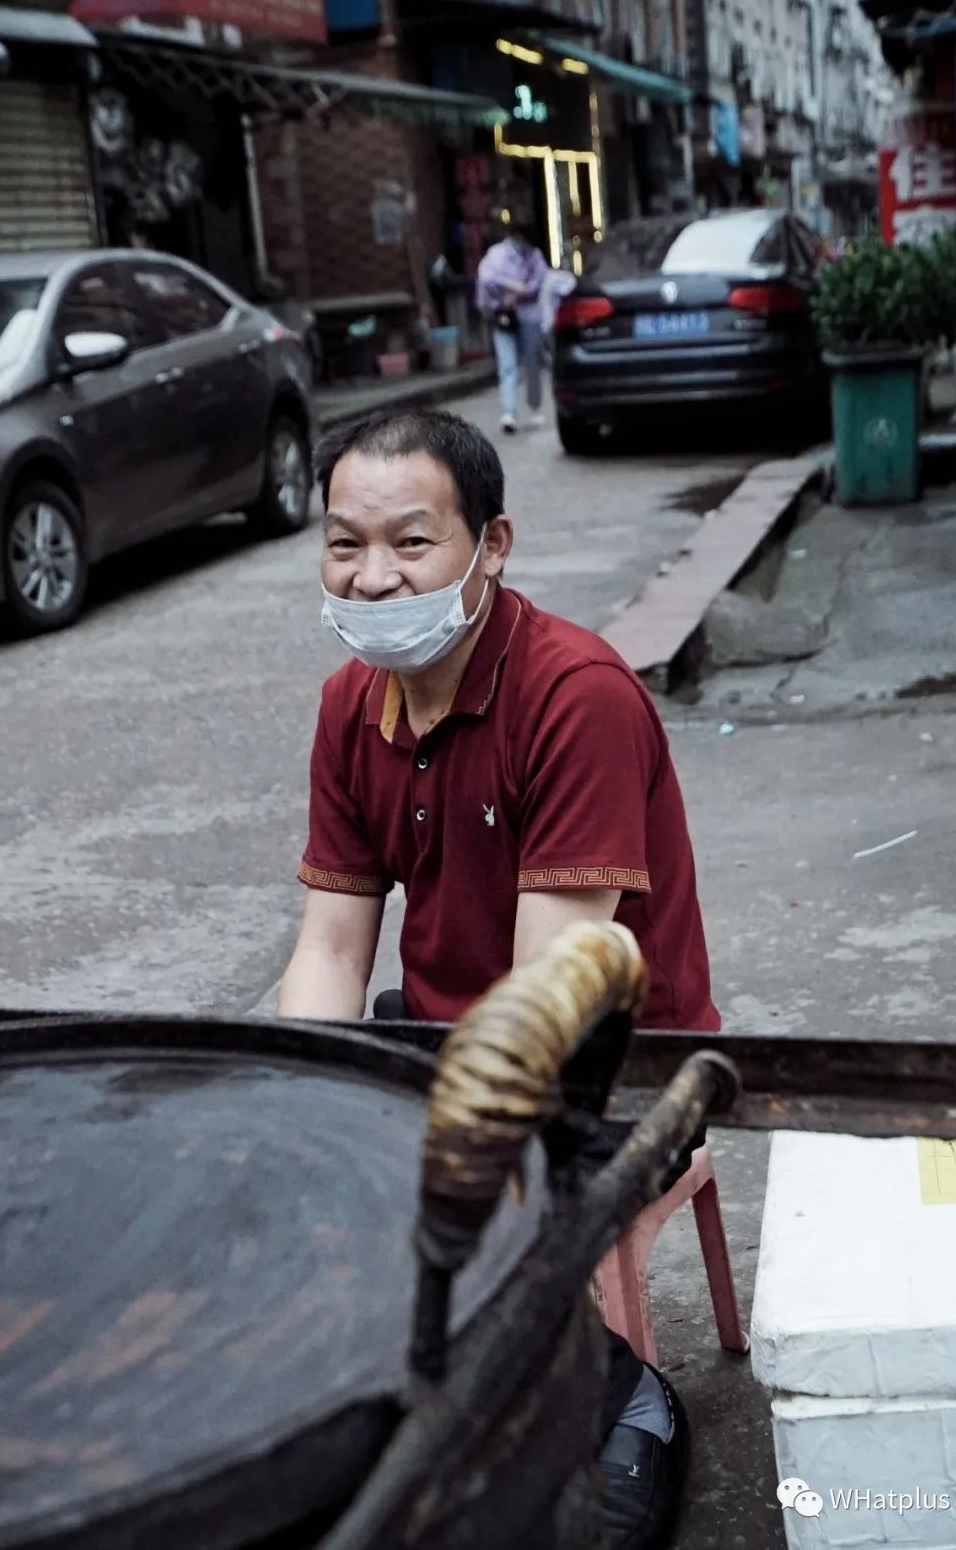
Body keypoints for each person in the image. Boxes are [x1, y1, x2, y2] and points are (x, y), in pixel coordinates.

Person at [278, 407, 720, 1549]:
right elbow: (332, 949)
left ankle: (615, 1398)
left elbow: (549, 1005)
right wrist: (298, 1106)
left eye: (411, 544)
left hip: (605, 1059)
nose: (372, 580)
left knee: (431, 1229)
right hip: (447, 1041)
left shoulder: (574, 694)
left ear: (494, 546)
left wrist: (416, 1156)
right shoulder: (348, 707)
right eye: (344, 544)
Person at [477, 222, 549, 435]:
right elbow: (487, 279)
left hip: (529, 315)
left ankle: (534, 407)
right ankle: (509, 411)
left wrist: (521, 293)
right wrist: (511, 287)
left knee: (532, 363)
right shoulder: (497, 254)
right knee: (507, 364)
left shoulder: (534, 255)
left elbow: (540, 281)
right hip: (504, 315)